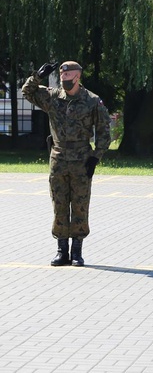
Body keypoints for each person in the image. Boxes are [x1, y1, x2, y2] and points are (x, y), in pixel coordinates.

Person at [22, 61, 111, 267]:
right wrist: (38, 76)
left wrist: (96, 157)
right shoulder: (53, 96)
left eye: (68, 77)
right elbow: (27, 92)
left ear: (77, 77)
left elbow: (104, 131)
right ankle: (62, 251)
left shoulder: (91, 101)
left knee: (80, 205)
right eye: (62, 77)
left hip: (82, 160)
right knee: (59, 204)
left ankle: (77, 252)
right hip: (58, 158)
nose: (64, 80)